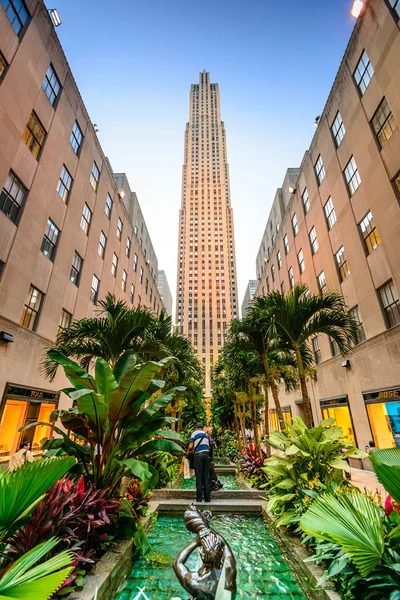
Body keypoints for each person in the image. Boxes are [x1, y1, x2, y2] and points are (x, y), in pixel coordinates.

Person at [188, 424, 211, 503]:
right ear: (202, 428)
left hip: (198, 456)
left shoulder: (194, 433)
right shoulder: (206, 435)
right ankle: (207, 499)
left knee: (199, 477)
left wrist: (188, 451)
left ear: (196, 428)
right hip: (206, 455)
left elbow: (191, 446)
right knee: (206, 477)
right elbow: (208, 446)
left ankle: (199, 499)